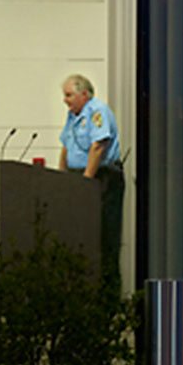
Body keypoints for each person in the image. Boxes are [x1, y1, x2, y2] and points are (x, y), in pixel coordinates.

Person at [59, 73, 124, 286]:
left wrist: (86, 181)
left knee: (104, 238)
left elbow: (98, 146)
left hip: (101, 178)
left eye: (69, 95)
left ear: (84, 94)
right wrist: (61, 177)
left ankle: (107, 296)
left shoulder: (97, 111)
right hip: (81, 178)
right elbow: (66, 146)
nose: (65, 100)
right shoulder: (73, 115)